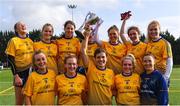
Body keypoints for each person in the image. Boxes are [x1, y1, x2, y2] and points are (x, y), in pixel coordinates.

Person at [81, 30, 114, 105]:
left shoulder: (111, 72)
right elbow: (83, 51)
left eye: (103, 57)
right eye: (98, 57)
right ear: (94, 59)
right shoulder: (90, 68)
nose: (101, 59)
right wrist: (86, 36)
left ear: (106, 58)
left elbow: (112, 90)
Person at [5, 21, 34, 105]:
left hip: (31, 72)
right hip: (20, 73)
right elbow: (10, 59)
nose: (23, 26)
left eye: (24, 24)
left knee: (29, 101)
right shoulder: (13, 41)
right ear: (16, 29)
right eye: (21, 25)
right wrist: (16, 75)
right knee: (19, 102)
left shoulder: (30, 41)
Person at [145, 20, 173, 86]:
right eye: (151, 30)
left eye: (155, 29)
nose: (153, 31)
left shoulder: (165, 43)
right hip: (150, 76)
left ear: (159, 30)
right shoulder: (147, 44)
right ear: (148, 31)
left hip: (161, 76)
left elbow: (169, 61)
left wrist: (165, 78)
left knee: (162, 96)